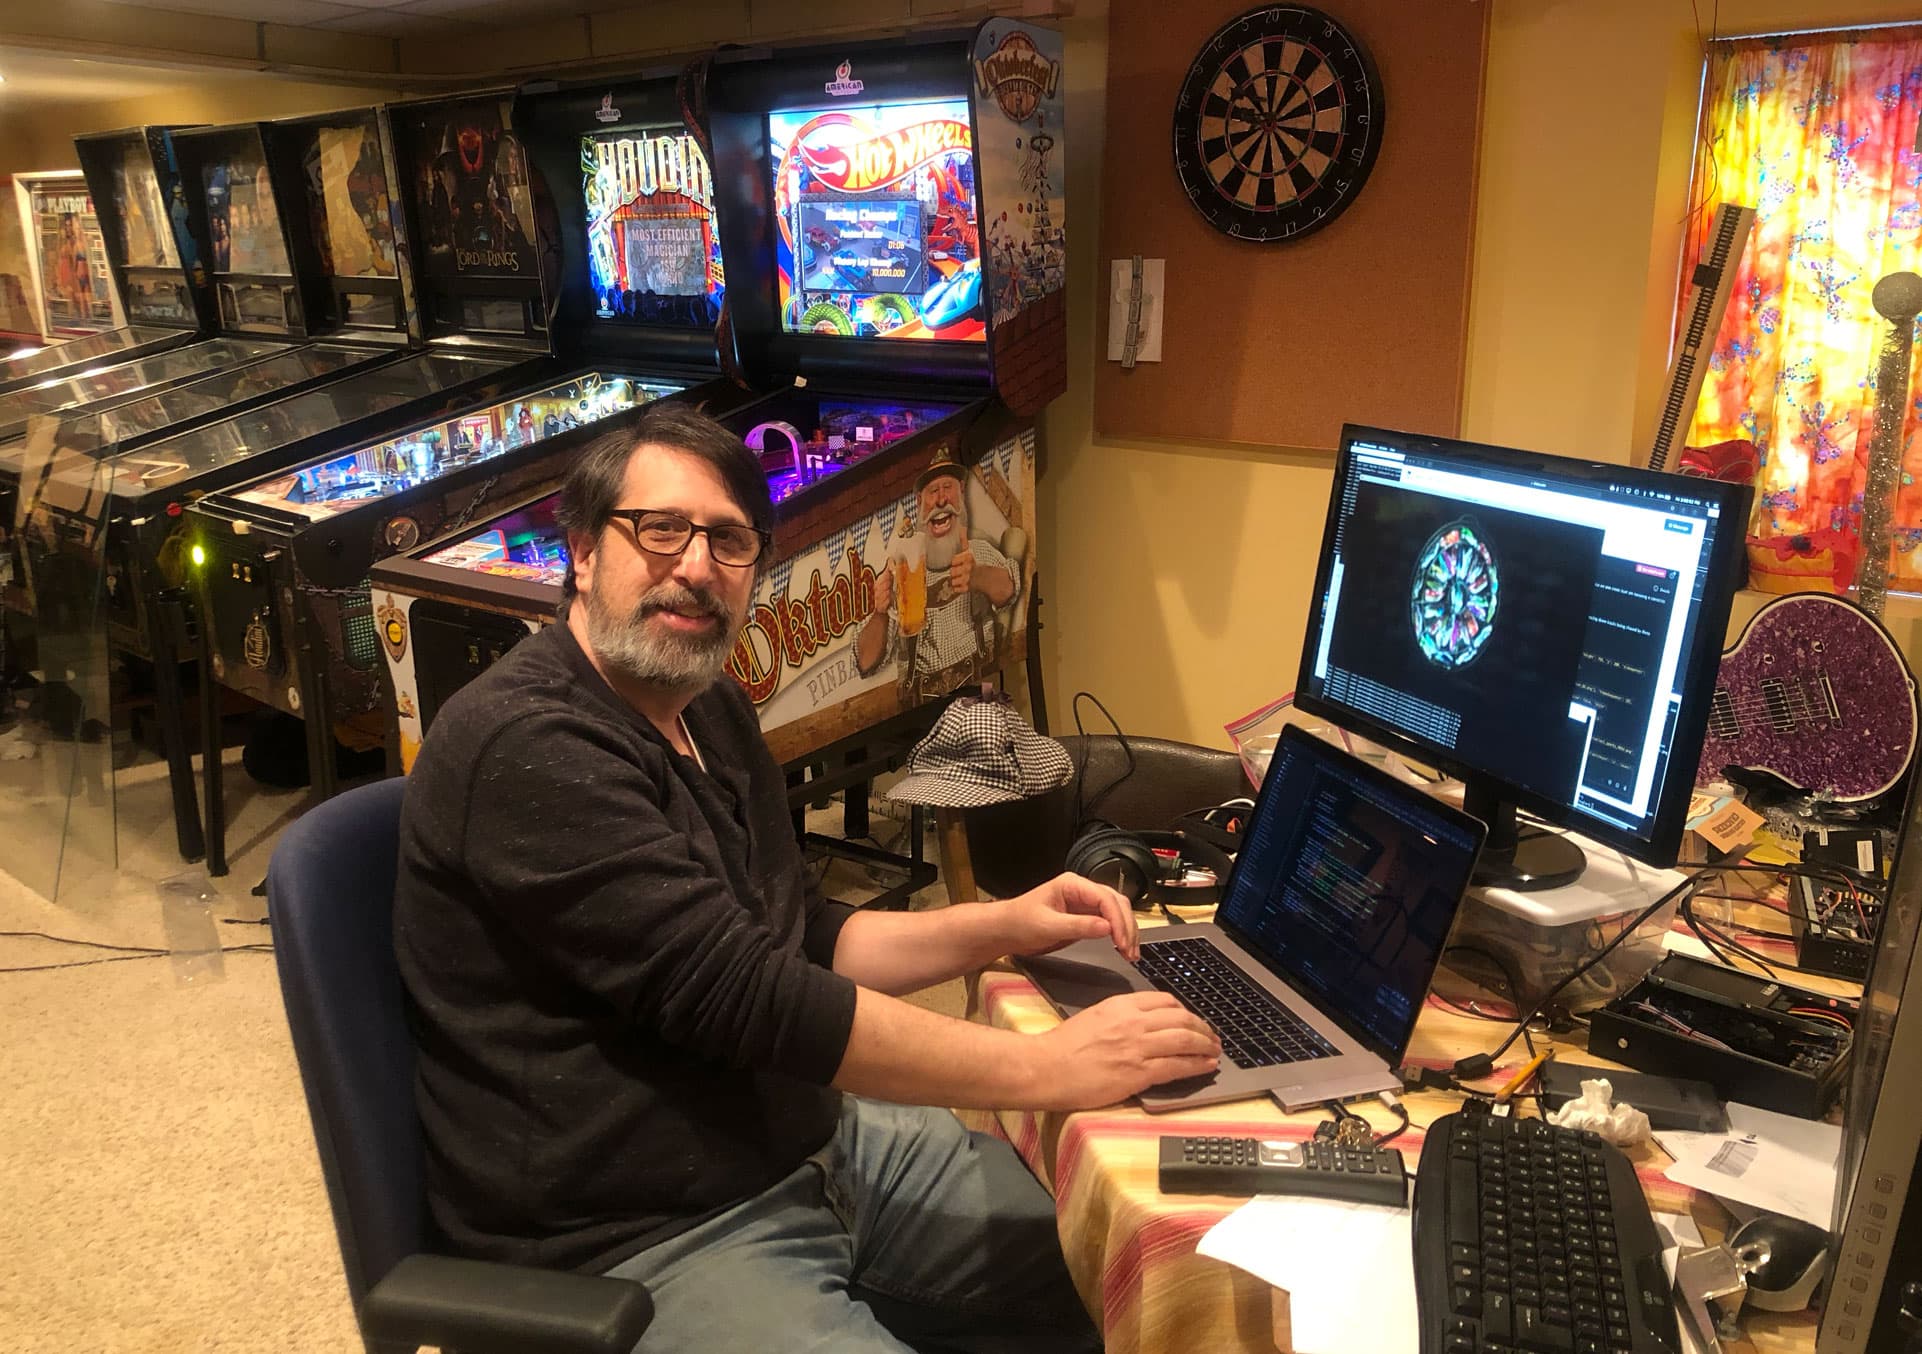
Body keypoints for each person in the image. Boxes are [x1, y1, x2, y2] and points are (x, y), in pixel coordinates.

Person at [395, 403, 1219, 1353]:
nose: (696, 566)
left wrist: (1002, 923)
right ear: (582, 552)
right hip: (640, 1235)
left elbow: (800, 936)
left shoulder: (708, 707)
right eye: (659, 530)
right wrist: (1049, 1067)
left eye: (730, 541)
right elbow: (753, 1000)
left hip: (811, 1145)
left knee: (1141, 1265)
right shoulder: (528, 742)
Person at [856, 448, 1015, 699]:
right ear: (919, 502)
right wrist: (880, 613)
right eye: (933, 491)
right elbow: (865, 662)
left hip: (980, 697)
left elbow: (1009, 590)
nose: (941, 500)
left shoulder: (978, 553)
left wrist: (978, 576)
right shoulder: (902, 569)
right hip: (918, 712)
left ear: (961, 492)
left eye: (948, 487)